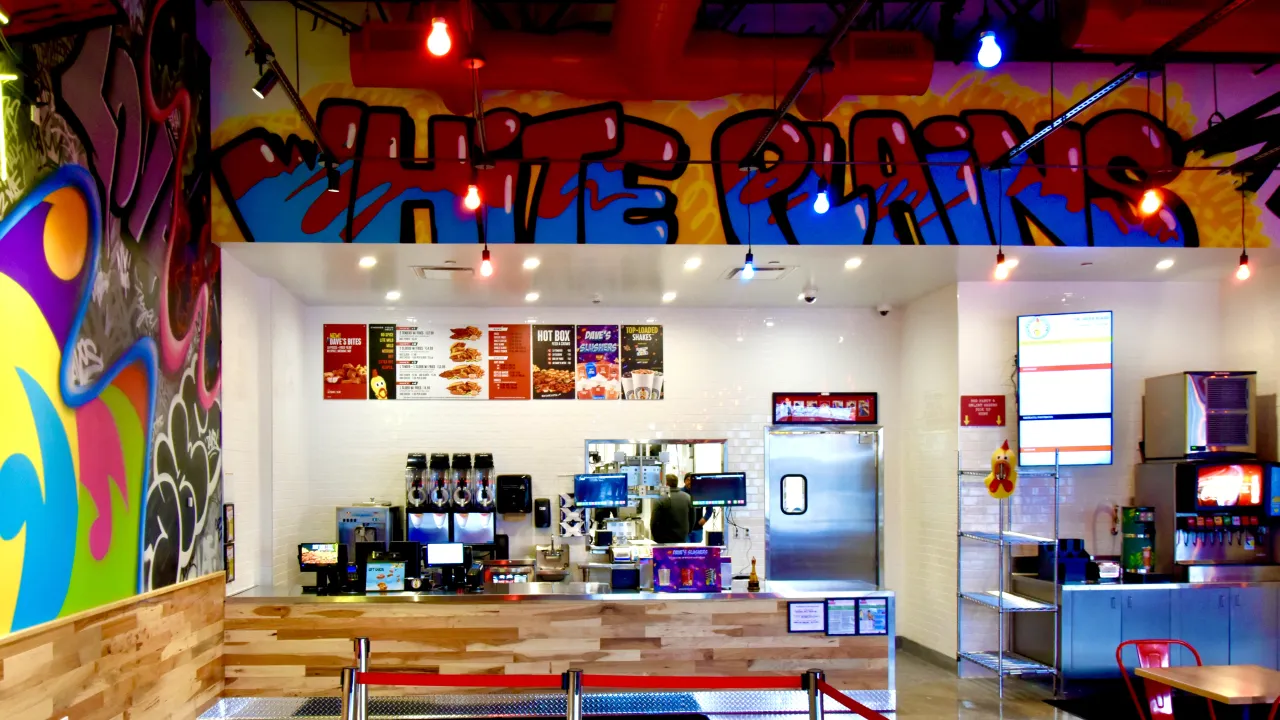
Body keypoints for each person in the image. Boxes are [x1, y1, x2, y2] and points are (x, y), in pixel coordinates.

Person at [649, 474, 691, 544]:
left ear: (666, 484)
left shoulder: (659, 499)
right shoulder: (688, 498)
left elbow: (654, 523)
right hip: (682, 538)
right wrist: (686, 533)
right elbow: (692, 519)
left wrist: (656, 539)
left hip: (663, 541)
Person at [683, 473, 714, 543]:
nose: (690, 482)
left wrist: (705, 518)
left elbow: (710, 508)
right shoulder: (681, 493)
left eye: (692, 480)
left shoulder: (701, 492)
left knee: (697, 551)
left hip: (697, 529)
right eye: (688, 480)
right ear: (684, 481)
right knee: (685, 551)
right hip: (684, 530)